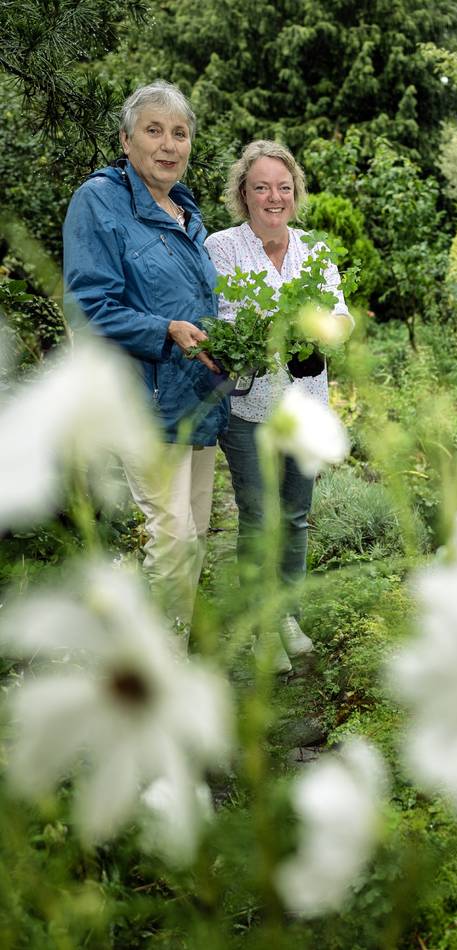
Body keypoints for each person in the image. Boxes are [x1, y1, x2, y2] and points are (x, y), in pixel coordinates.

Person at [63, 80, 229, 631]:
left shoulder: (185, 210)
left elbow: (198, 303)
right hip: (146, 400)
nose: (168, 144)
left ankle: (172, 652)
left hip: (196, 401)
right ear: (126, 140)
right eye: (153, 130)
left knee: (195, 533)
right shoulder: (100, 200)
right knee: (172, 539)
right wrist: (167, 330)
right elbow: (88, 306)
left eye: (179, 133)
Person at [205, 140, 353, 673]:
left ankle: (285, 614)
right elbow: (217, 321)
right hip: (249, 410)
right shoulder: (222, 247)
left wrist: (324, 332)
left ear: (296, 194)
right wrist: (262, 333)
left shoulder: (314, 251)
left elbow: (340, 316)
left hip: (305, 408)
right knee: (258, 515)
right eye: (262, 186)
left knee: (294, 515)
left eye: (284, 187)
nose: (274, 197)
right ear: (243, 194)